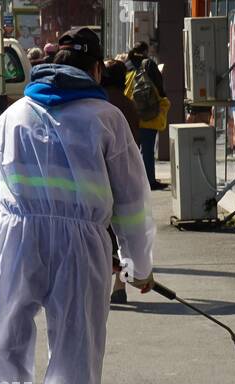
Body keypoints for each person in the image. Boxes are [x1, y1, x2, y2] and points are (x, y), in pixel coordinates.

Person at [0, 27, 155, 384]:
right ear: (95, 70)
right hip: (81, 246)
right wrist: (138, 264)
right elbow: (132, 201)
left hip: (16, 236)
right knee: (76, 349)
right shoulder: (107, 119)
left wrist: (27, 221)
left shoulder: (12, 117)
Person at [101, 58, 141, 306]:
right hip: (126, 178)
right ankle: (121, 285)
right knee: (124, 238)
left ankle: (104, 282)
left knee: (104, 236)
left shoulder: (100, 105)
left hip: (101, 181)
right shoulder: (129, 105)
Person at [125, 42, 170, 190]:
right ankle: (149, 181)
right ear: (145, 51)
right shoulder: (149, 65)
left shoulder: (126, 66)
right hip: (147, 114)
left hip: (130, 116)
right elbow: (159, 89)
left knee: (131, 151)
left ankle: (132, 181)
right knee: (148, 151)